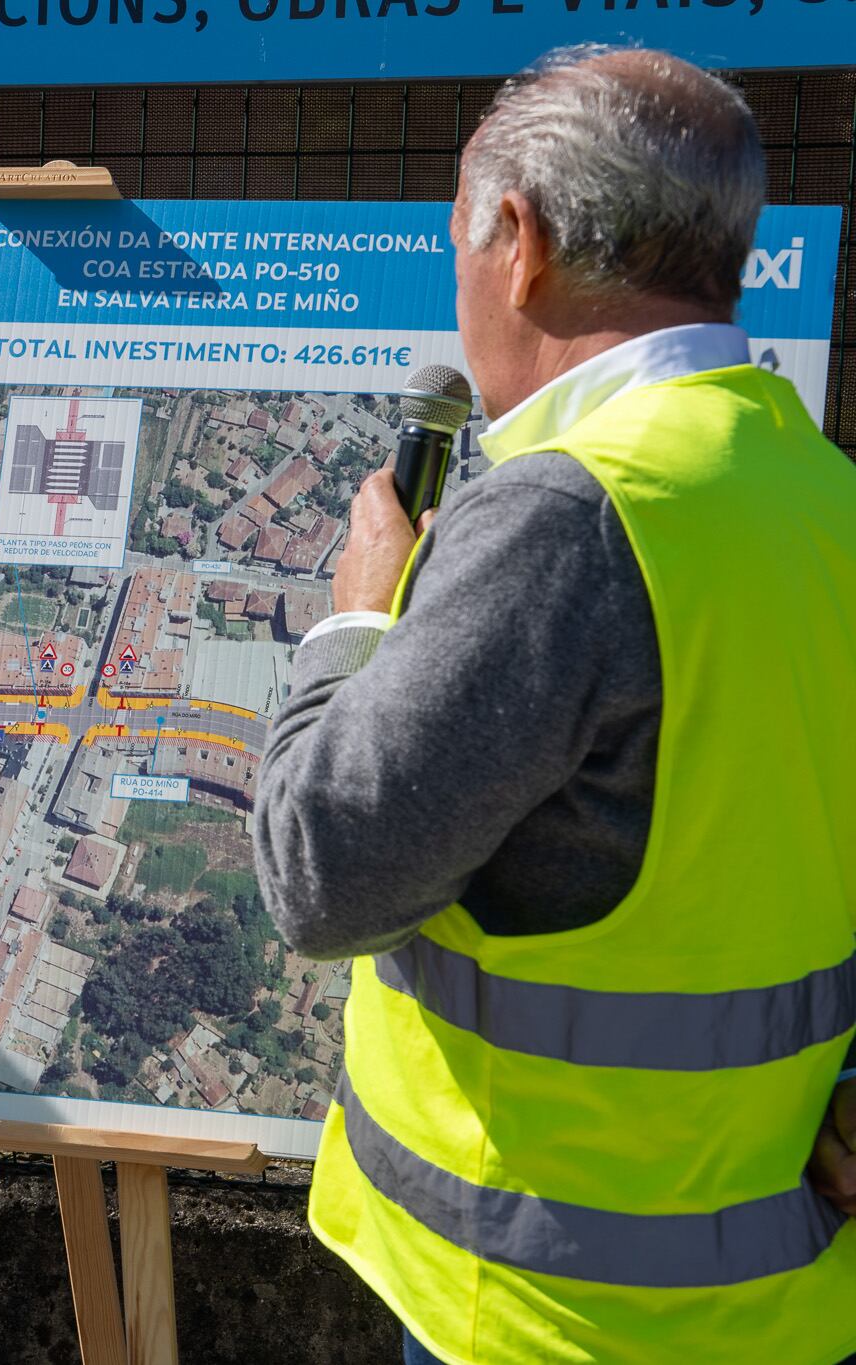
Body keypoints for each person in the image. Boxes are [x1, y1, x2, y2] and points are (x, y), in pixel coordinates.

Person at [251, 46, 856, 1365]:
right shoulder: (821, 494)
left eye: (459, 239)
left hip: (534, 1308)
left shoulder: (567, 516)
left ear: (516, 240)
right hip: (776, 1301)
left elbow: (321, 869)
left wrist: (358, 612)